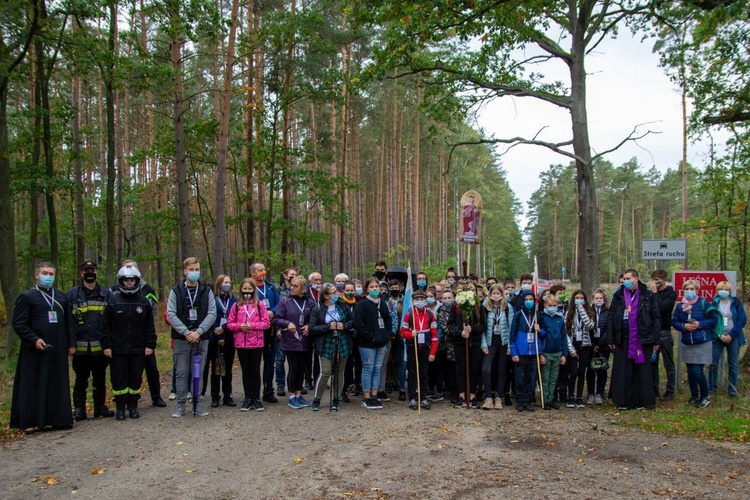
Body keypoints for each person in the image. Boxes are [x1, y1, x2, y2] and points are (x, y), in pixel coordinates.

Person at [10, 262, 75, 431]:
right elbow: (19, 323)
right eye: (45, 273)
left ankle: (58, 419)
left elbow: (69, 322)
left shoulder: (62, 297)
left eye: (51, 274)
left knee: (57, 383)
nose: (48, 276)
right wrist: (33, 339)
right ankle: (32, 421)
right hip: (35, 349)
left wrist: (71, 344)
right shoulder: (27, 297)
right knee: (34, 384)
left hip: (58, 348)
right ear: (37, 275)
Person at [101, 266, 157, 420]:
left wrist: (150, 345)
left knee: (135, 378)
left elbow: (149, 326)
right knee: (119, 379)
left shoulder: (143, 301)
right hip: (118, 349)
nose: (129, 283)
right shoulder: (113, 300)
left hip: (138, 349)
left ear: (136, 281)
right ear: (121, 282)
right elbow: (105, 325)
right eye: (126, 280)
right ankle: (120, 407)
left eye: (132, 280)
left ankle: (133, 406)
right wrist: (106, 345)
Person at [167, 257, 217, 418]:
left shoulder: (206, 290)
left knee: (198, 372)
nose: (194, 272)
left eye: (197, 269)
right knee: (181, 372)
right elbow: (171, 314)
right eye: (191, 270)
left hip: (201, 338)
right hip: (182, 339)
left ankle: (197, 404)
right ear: (185, 271)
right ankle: (180, 405)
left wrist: (199, 332)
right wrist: (186, 332)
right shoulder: (176, 290)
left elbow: (212, 313)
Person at [605, 269, 660, 410]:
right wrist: (611, 338)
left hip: (642, 337)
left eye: (629, 278)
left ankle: (640, 401)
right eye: (624, 278)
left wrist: (656, 340)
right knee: (623, 370)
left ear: (636, 278)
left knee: (640, 370)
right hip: (622, 337)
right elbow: (611, 316)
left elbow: (655, 317)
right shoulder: (618, 295)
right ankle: (623, 401)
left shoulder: (647, 294)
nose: (626, 281)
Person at [67, 260, 113, 420]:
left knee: (100, 379)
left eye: (92, 270)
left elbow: (111, 321)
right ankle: (79, 408)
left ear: (97, 272)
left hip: (100, 347)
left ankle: (100, 407)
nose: (89, 273)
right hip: (80, 348)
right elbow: (68, 322)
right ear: (81, 273)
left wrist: (109, 343)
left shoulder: (106, 294)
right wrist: (70, 344)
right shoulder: (72, 295)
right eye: (86, 270)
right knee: (80, 380)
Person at [117, 259, 166, 407]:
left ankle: (156, 396)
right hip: (123, 339)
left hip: (144, 336)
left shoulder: (147, 289)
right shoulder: (115, 289)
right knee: (125, 371)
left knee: (151, 368)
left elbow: (154, 310)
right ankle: (126, 400)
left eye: (132, 267)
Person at [672, 280, 718, 408]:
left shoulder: (704, 303)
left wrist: (700, 324)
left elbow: (714, 319)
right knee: (691, 371)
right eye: (687, 288)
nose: (689, 291)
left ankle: (705, 395)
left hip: (702, 341)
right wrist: (684, 326)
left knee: (698, 370)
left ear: (697, 290)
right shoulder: (680, 306)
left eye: (692, 289)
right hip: (687, 342)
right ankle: (694, 396)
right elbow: (675, 322)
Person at [227, 278, 270, 411]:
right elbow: (229, 324)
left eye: (249, 289)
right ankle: (247, 398)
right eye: (244, 289)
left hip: (256, 343)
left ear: (253, 290)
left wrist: (253, 326)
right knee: (246, 371)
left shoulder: (259, 304)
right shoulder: (236, 305)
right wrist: (240, 327)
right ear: (241, 290)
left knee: (255, 371)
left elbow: (266, 323)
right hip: (241, 343)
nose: (247, 292)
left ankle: (256, 398)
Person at [309, 283, 353, 411]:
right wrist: (328, 327)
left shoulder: (342, 305)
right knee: (326, 372)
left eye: (336, 292)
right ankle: (317, 399)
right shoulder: (318, 309)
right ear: (326, 296)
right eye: (333, 293)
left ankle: (336, 398)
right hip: (326, 344)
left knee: (339, 372)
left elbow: (352, 321)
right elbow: (312, 328)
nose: (336, 294)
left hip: (342, 342)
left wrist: (343, 326)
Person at [274, 276, 316, 409]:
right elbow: (277, 319)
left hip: (305, 341)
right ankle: (292, 395)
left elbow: (315, 318)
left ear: (303, 288)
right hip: (291, 340)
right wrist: (288, 323)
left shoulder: (309, 303)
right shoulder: (285, 301)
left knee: (302, 368)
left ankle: (298, 394)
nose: (292, 288)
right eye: (291, 285)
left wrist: (309, 325)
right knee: (293, 368)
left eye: (295, 286)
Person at [353, 277, 392, 409]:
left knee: (377, 369)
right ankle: (366, 397)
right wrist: (371, 337)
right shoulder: (362, 304)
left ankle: (374, 395)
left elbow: (387, 320)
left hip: (381, 342)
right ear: (367, 289)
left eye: (376, 287)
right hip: (367, 343)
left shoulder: (382, 303)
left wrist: (386, 335)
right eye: (372, 287)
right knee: (368, 369)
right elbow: (359, 324)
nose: (375, 289)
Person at [445, 288, 485, 408]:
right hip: (459, 343)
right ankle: (461, 395)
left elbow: (483, 325)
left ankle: (472, 396)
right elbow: (450, 325)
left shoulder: (479, 307)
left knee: (474, 369)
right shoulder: (456, 306)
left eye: (473, 290)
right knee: (460, 369)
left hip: (474, 343)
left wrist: (472, 329)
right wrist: (460, 332)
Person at [400, 289, 438, 410]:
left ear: (425, 300)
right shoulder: (409, 313)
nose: (419, 301)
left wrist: (433, 352)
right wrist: (411, 333)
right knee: (411, 373)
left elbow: (435, 336)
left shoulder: (431, 315)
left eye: (422, 299)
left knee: (423, 373)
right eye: (417, 299)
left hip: (425, 347)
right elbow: (402, 331)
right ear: (413, 301)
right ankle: (412, 398)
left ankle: (423, 397)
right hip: (412, 346)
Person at [249, 262, 281, 404]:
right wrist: (261, 314)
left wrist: (272, 312)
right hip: (255, 331)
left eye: (264, 269)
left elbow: (279, 303)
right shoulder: (249, 288)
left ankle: (268, 391)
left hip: (271, 329)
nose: (263, 272)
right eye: (259, 270)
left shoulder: (271, 287)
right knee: (254, 363)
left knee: (270, 361)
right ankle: (252, 392)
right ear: (252, 273)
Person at [204, 274, 237, 407]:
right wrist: (216, 331)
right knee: (217, 368)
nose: (227, 284)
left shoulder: (234, 299)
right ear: (219, 283)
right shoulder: (211, 298)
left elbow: (235, 318)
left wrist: (224, 328)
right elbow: (208, 316)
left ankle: (228, 395)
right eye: (225, 282)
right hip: (214, 338)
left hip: (229, 337)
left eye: (229, 282)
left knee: (227, 368)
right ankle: (215, 396)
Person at [509, 290, 544, 411]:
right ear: (523, 301)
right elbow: (512, 335)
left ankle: (528, 400)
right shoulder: (518, 315)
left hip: (533, 352)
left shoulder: (538, 315)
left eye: (531, 299)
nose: (529, 302)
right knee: (519, 378)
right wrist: (514, 352)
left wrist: (539, 330)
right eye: (527, 299)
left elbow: (544, 334)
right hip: (521, 352)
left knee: (531, 378)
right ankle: (520, 400)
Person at [710, 281, 746, 397]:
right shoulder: (713, 303)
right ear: (717, 291)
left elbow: (742, 320)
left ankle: (732, 390)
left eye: (726, 289)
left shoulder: (735, 302)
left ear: (729, 291)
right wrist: (720, 335)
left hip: (733, 337)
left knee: (733, 364)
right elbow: (711, 320)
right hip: (718, 337)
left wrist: (731, 335)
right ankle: (711, 388)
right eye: (721, 289)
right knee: (713, 363)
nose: (723, 291)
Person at [480, 284, 512, 410]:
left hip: (503, 342)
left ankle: (499, 397)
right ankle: (488, 397)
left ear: (502, 295)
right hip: (490, 341)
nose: (496, 296)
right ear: (490, 295)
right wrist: (483, 344)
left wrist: (510, 345)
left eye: (498, 293)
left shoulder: (508, 308)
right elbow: (482, 328)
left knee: (502, 370)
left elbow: (511, 327)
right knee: (486, 369)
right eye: (494, 293)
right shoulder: (485, 308)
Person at [564, 289, 595, 408]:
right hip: (573, 344)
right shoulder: (568, 313)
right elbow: (565, 332)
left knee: (582, 372)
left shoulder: (589, 312)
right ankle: (570, 396)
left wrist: (582, 311)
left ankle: (579, 397)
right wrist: (571, 349)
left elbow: (590, 325)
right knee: (573, 372)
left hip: (585, 345)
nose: (579, 300)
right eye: (577, 298)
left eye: (581, 298)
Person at [649, 269, 677, 400]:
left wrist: (655, 293)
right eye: (653, 279)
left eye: (657, 279)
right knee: (652, 362)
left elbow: (660, 308)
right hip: (652, 332)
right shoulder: (650, 294)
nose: (655, 282)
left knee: (668, 363)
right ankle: (654, 389)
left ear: (664, 279)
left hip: (664, 331)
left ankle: (670, 390)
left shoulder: (670, 294)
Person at [539, 294, 568, 410]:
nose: (552, 307)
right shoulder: (542, 318)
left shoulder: (559, 319)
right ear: (545, 305)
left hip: (557, 352)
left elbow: (563, 337)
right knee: (545, 378)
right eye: (549, 305)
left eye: (554, 305)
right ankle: (545, 399)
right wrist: (540, 353)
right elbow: (540, 337)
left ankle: (551, 398)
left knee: (553, 378)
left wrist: (564, 354)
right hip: (546, 352)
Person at [275, 267, 297, 395]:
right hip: (282, 329)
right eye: (291, 274)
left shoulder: (299, 291)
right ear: (285, 276)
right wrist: (278, 329)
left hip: (294, 331)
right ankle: (280, 384)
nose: (293, 276)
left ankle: (294, 385)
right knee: (280, 359)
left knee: (294, 360)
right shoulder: (279, 291)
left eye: (295, 274)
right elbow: (279, 312)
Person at [588, 289, 610, 404]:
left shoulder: (608, 312)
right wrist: (593, 345)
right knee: (591, 370)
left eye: (601, 298)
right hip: (591, 344)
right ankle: (590, 393)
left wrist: (600, 345)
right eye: (596, 298)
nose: (599, 300)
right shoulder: (589, 311)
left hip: (604, 346)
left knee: (602, 370)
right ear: (593, 299)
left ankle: (600, 393)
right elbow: (587, 329)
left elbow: (609, 329)